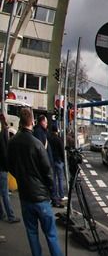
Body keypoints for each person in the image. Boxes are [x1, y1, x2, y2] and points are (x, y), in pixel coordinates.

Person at [7, 107, 64, 256]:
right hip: (41, 197)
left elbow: (10, 166)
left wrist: (20, 177)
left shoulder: (12, 143)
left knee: (32, 234)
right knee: (51, 234)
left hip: (25, 196)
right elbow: (48, 172)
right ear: (32, 121)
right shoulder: (37, 144)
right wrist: (52, 194)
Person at [33, 115, 61, 208]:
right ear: (42, 122)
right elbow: (41, 149)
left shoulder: (42, 132)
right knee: (51, 181)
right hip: (46, 162)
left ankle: (54, 198)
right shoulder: (39, 132)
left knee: (52, 181)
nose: (47, 124)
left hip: (48, 161)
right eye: (46, 122)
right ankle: (53, 199)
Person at [0, 113, 20, 223]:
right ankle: (11, 216)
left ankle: (1, 214)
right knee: (4, 193)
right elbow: (5, 151)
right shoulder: (4, 132)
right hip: (2, 168)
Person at [47, 126, 66, 203]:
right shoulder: (59, 139)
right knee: (60, 179)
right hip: (58, 161)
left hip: (52, 161)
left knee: (54, 179)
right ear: (57, 131)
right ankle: (61, 195)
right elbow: (62, 150)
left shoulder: (49, 139)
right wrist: (63, 160)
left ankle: (54, 194)